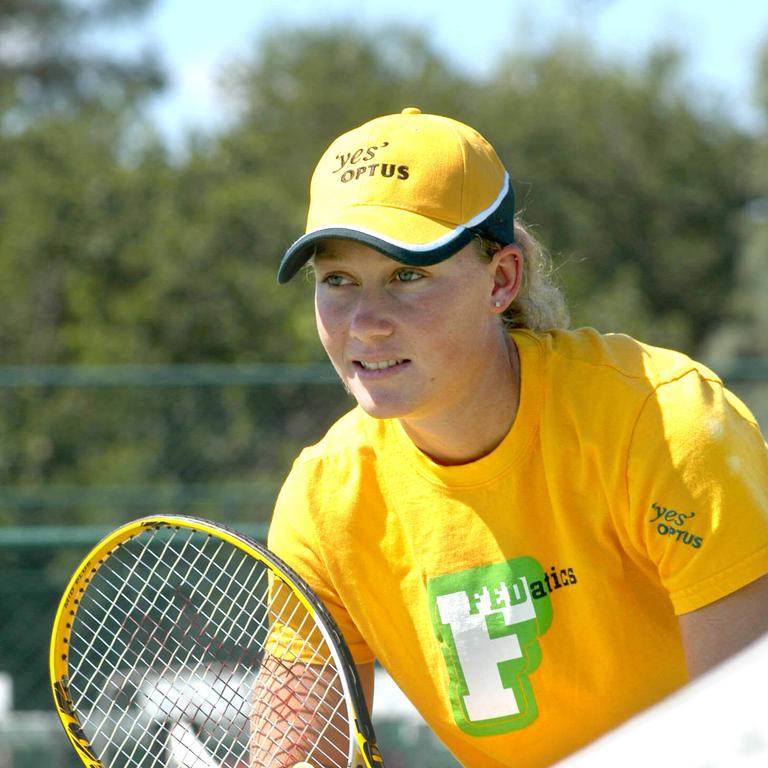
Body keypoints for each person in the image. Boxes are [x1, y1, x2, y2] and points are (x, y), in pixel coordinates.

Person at [263, 107, 768, 768]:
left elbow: (745, 734)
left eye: (406, 276)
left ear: (501, 279)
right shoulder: (321, 502)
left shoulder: (667, 427)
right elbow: (300, 757)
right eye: (337, 281)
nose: (365, 323)